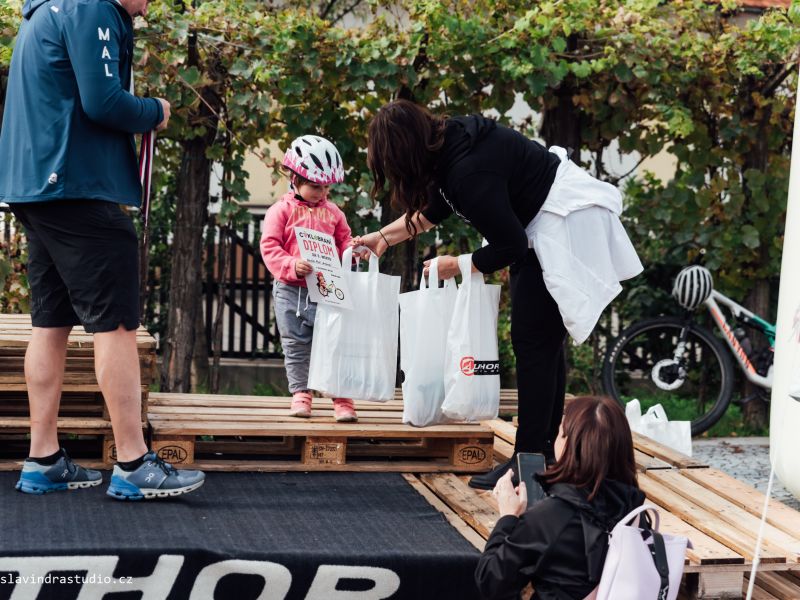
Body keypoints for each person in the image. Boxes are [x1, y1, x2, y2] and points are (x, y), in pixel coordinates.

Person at [354, 99, 642, 489]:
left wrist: (458, 264)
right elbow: (437, 209)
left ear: (404, 154)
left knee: (534, 341)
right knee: (540, 342)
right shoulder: (449, 146)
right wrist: (383, 238)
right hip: (539, 223)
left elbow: (510, 245)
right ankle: (542, 455)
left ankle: (529, 462)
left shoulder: (468, 171)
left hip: (561, 222)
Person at [0, 0, 205, 499]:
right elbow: (103, 101)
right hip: (78, 186)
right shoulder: (93, 8)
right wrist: (154, 111)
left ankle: (43, 459)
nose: (149, 6)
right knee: (116, 325)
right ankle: (133, 463)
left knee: (50, 323)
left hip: (35, 187)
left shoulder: (44, 10)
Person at [474, 395, 645, 599]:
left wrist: (507, 517)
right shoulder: (636, 513)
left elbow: (491, 583)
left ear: (566, 444)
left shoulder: (551, 517)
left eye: (560, 432)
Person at [260, 135, 358, 422]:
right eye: (316, 186)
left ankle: (342, 398)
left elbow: (345, 241)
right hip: (291, 290)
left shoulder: (334, 213)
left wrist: (353, 252)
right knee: (296, 345)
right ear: (295, 179)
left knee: (336, 343)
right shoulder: (281, 211)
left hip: (327, 289)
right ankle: (301, 394)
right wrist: (291, 264)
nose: (322, 192)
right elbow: (269, 246)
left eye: (327, 187)